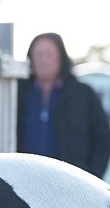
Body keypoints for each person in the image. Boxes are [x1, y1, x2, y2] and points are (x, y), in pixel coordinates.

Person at [17, 32, 110, 177]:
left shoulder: (83, 94)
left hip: (71, 183)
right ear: (31, 59)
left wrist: (92, 177)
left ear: (61, 57)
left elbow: (102, 137)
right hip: (23, 181)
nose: (44, 60)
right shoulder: (19, 93)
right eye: (39, 54)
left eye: (49, 54)